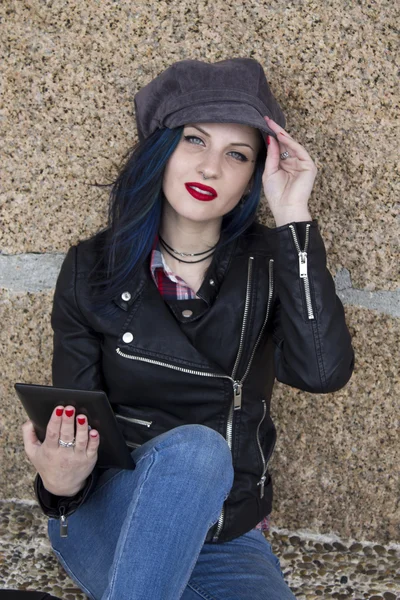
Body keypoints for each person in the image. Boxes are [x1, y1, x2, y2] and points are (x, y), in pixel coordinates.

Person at [21, 58, 354, 600]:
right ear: (162, 149)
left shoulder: (271, 263)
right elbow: (76, 420)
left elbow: (321, 373)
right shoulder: (92, 267)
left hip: (223, 533)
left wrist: (293, 215)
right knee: (198, 452)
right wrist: (58, 482)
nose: (211, 168)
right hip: (111, 512)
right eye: (194, 140)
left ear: (253, 176)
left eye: (237, 154)